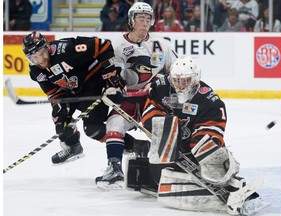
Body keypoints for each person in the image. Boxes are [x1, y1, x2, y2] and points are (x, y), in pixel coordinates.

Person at [127, 55, 268, 215]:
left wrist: (197, 151)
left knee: (209, 155)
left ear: (195, 78)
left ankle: (241, 192)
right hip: (170, 152)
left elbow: (211, 131)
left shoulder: (209, 100)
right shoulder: (162, 86)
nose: (180, 85)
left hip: (194, 153)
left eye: (185, 80)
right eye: (177, 80)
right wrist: (166, 131)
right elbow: (150, 109)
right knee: (157, 178)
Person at [95, 2, 178, 188]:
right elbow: (112, 75)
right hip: (129, 99)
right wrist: (113, 86)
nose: (145, 22)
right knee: (114, 124)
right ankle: (114, 167)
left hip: (154, 99)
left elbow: (176, 69)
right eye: (141, 18)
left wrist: (162, 83)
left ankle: (173, 167)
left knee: (166, 130)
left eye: (148, 19)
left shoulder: (161, 44)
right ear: (132, 21)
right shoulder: (117, 46)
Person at [22, 31, 126, 164]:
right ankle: (73, 147)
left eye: (42, 53)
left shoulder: (66, 50)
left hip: (93, 82)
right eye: (34, 57)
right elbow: (54, 93)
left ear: (47, 47)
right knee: (60, 121)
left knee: (93, 129)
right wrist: (60, 109)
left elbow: (103, 45)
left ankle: (134, 145)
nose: (41, 60)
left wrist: (111, 78)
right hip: (74, 91)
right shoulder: (35, 71)